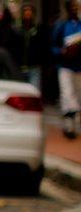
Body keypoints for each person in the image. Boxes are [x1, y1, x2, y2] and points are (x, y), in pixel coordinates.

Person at [52, 0, 81, 138]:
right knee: (67, 94)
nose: (75, 9)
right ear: (68, 9)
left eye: (77, 7)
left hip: (79, 66)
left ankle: (73, 122)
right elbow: (53, 47)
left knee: (77, 96)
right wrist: (61, 51)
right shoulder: (62, 26)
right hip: (65, 66)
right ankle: (69, 126)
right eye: (73, 7)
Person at [21, 4, 48, 90]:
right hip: (19, 66)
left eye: (30, 11)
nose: (27, 13)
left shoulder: (39, 30)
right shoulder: (16, 30)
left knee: (34, 91)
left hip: (34, 67)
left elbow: (44, 47)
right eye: (25, 10)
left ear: (34, 14)